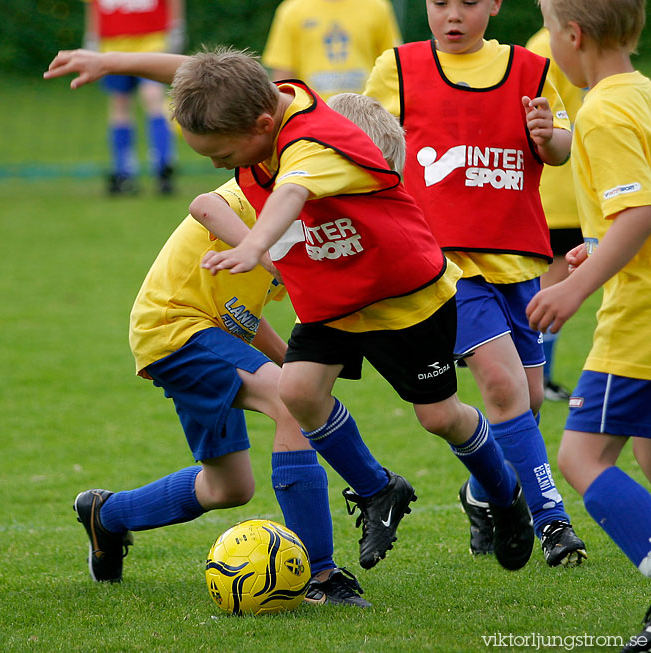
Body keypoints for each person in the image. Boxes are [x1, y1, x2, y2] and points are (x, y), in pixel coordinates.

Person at [45, 46, 536, 574]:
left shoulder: (317, 148)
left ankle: (505, 498)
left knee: (437, 417)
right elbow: (197, 74)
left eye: (222, 155)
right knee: (295, 393)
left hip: (408, 300)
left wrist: (257, 246)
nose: (216, 168)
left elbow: (291, 192)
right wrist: (113, 61)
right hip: (310, 307)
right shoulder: (259, 117)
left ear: (260, 125)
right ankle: (357, 517)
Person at [362, 0, 587, 568]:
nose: (452, 15)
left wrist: (547, 138)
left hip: (519, 259)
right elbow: (365, 148)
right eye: (440, 3)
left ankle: (483, 493)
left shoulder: (530, 67)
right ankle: (552, 521)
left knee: (529, 400)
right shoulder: (398, 68)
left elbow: (562, 147)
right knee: (504, 388)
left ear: (494, 5)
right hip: (446, 264)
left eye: (467, 2)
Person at [526, 0, 650, 648]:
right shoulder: (642, 93)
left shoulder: (600, 108)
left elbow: (638, 215)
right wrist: (594, 244)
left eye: (550, 31)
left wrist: (574, 283)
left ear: (572, 36)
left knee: (581, 455)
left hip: (638, 319)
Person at [525, 26, 585, 402]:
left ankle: (540, 378)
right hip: (556, 195)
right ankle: (538, 379)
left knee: (557, 289)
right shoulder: (546, 45)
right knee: (553, 290)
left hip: (575, 191)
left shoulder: (580, 37)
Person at [82, 0, 184, 195]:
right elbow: (93, 6)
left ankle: (163, 165)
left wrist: (176, 26)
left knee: (152, 97)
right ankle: (123, 171)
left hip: (152, 42)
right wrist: (92, 37)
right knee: (119, 105)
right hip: (112, 46)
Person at [262, 0, 401, 100]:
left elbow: (392, 67)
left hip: (366, 117)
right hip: (313, 120)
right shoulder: (291, 10)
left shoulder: (378, 7)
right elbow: (284, 79)